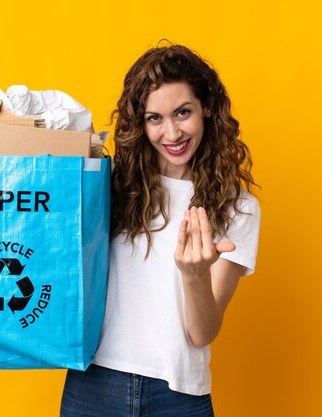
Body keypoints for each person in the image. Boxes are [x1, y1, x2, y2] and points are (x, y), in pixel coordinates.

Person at [60, 43, 261, 417]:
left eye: (183, 112)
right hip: (94, 383)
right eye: (155, 118)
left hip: (179, 396)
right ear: (140, 123)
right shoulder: (111, 185)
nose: (172, 133)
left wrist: (194, 275)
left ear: (207, 109)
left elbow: (202, 333)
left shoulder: (239, 208)